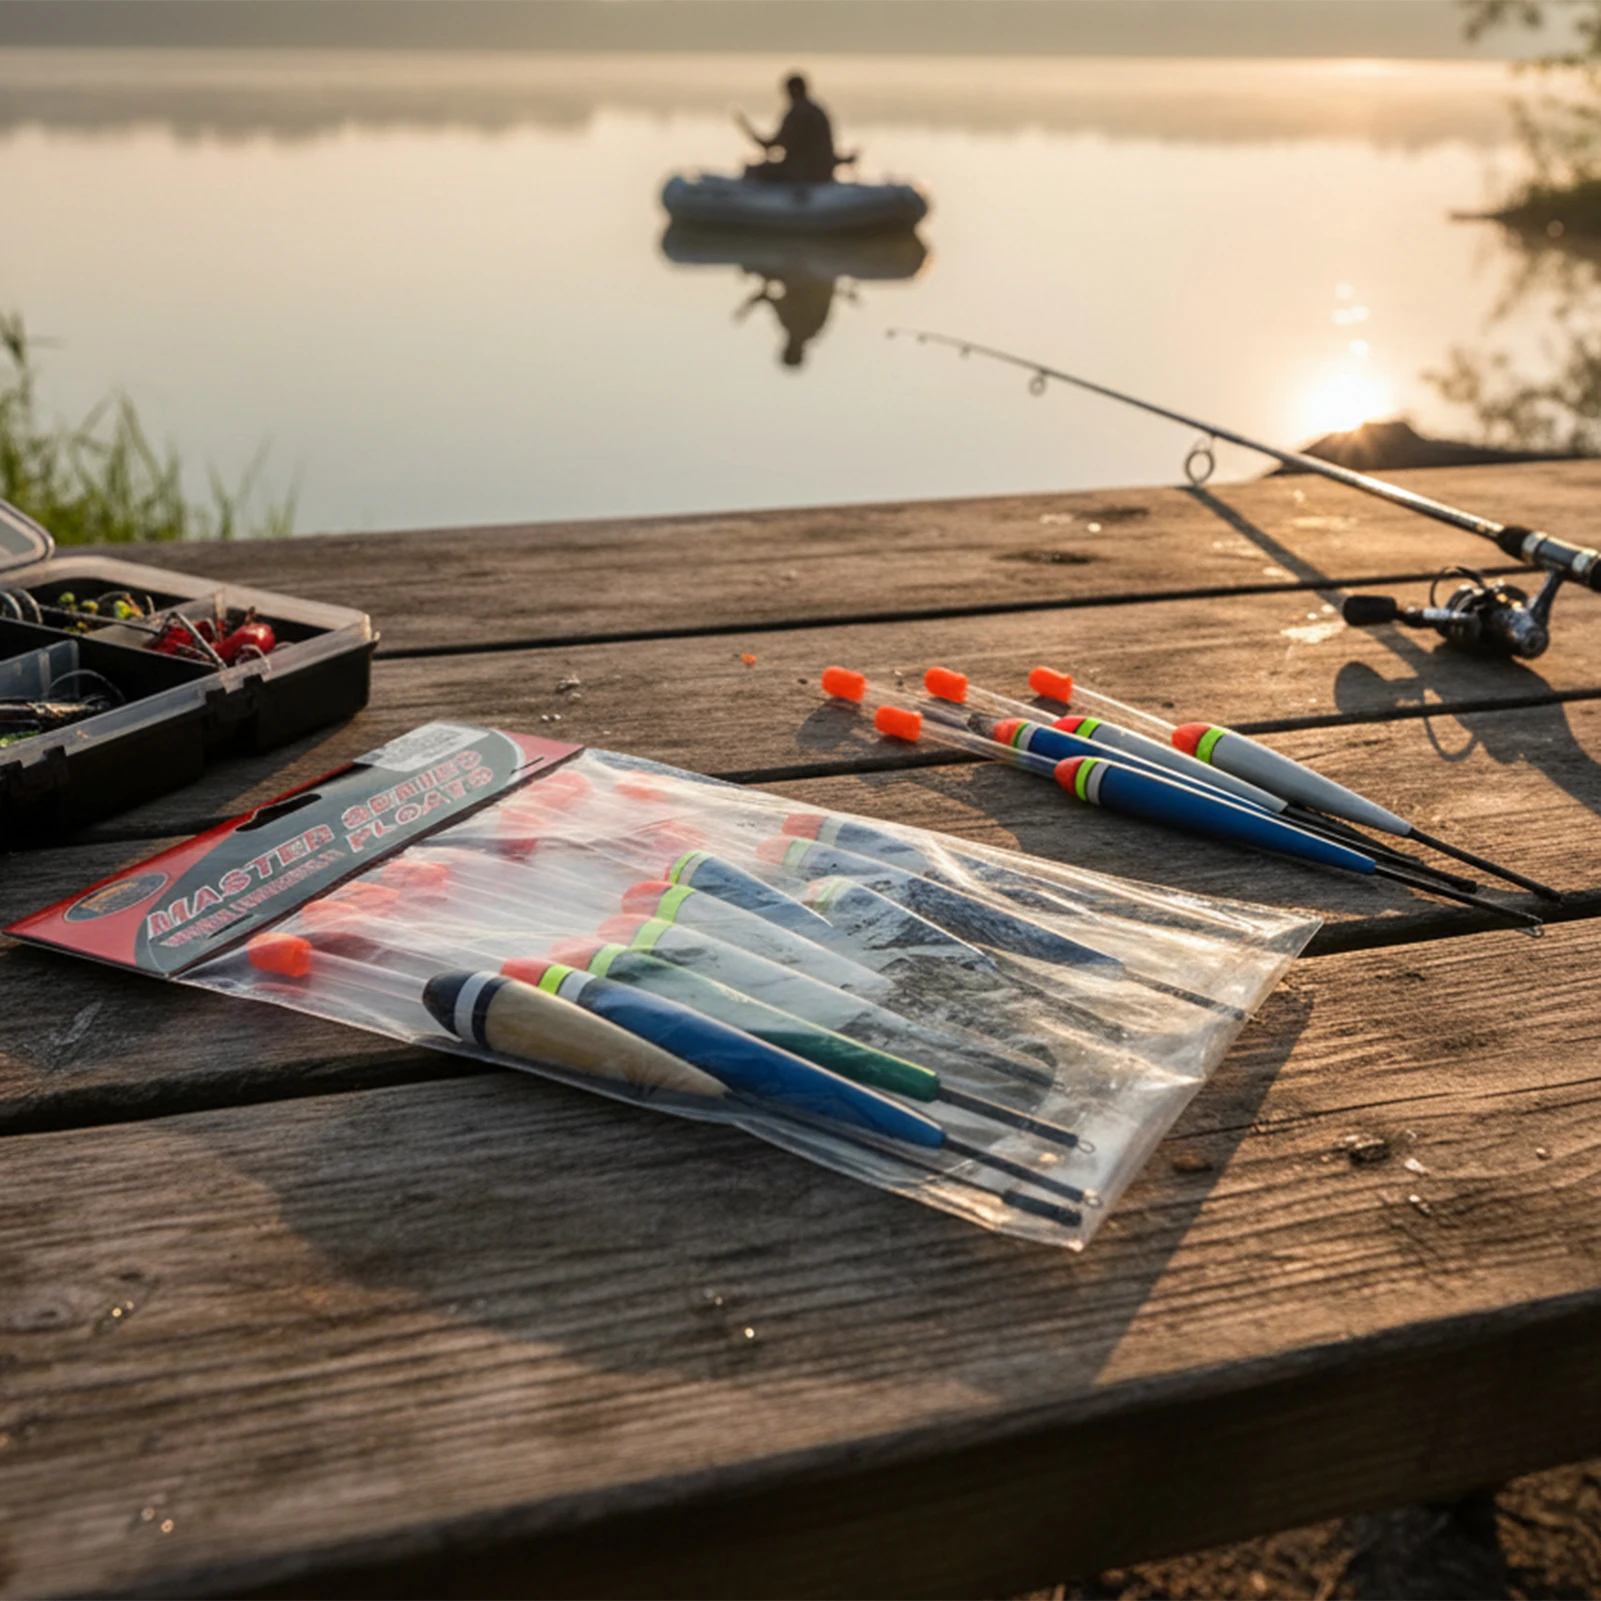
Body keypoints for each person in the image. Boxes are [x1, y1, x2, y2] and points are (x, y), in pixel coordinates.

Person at [741, 73, 844, 185]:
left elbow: (774, 145)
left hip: (803, 174)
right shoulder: (818, 111)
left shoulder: (796, 113)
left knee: (754, 170)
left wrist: (748, 130)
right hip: (824, 171)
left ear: (792, 90)